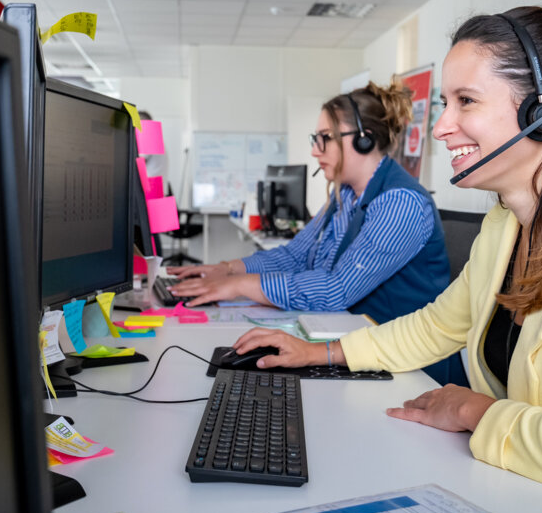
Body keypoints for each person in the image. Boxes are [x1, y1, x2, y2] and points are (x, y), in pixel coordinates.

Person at [232, 6, 542, 513]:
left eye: (466, 101)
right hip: (519, 490)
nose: (442, 127)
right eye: (446, 102)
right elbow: (437, 326)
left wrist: (472, 409)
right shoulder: (507, 223)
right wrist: (322, 355)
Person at [170, 78, 463, 384]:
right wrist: (227, 269)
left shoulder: (400, 203)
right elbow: (294, 255)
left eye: (324, 137)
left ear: (363, 139)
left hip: (411, 373)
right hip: (355, 346)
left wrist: (239, 286)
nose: (314, 150)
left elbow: (337, 290)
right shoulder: (346, 195)